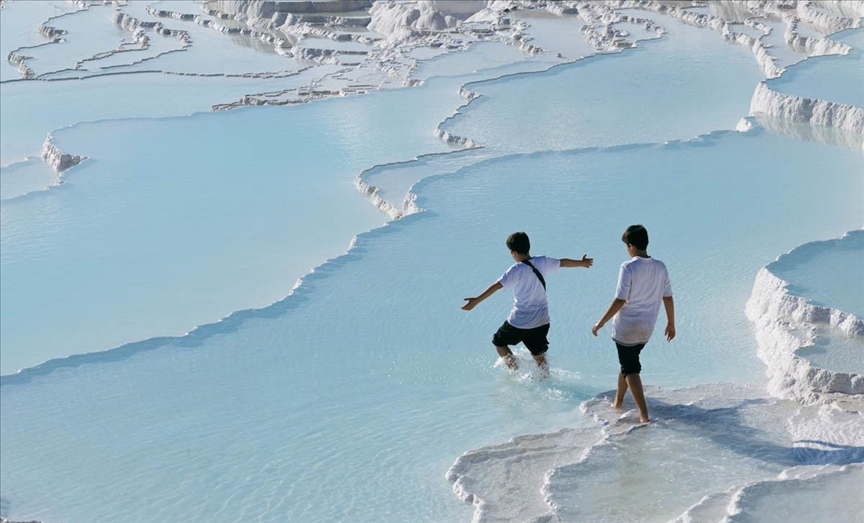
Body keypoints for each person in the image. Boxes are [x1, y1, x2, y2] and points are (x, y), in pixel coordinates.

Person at [462, 231, 593, 375]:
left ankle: (516, 371)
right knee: (539, 354)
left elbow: (496, 286)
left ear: (513, 252)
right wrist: (582, 263)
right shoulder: (542, 261)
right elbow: (562, 262)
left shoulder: (516, 270)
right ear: (528, 247)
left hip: (520, 321)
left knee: (498, 342)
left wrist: (475, 301)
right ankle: (545, 378)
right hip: (542, 320)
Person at [592, 224, 675, 423]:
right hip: (647, 328)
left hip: (626, 328)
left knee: (631, 368)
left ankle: (644, 416)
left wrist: (600, 323)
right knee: (627, 363)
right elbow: (668, 297)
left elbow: (620, 299)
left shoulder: (628, 267)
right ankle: (618, 403)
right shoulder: (660, 266)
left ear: (631, 246)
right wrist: (671, 323)